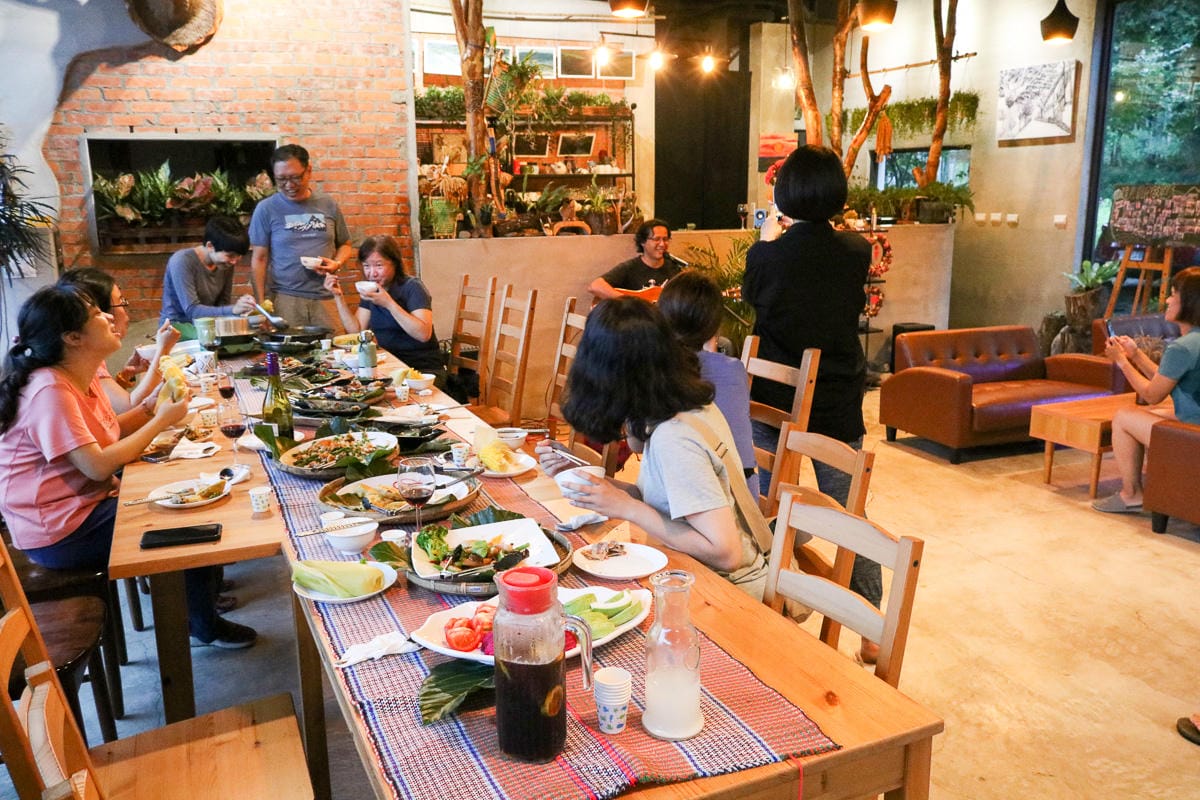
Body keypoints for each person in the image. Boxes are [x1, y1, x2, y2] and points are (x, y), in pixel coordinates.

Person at [0, 285, 256, 648]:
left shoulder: (72, 379)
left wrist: (152, 407)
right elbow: (97, 466)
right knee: (185, 519)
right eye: (96, 315)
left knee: (191, 498)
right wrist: (160, 421)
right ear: (72, 338)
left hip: (83, 509)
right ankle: (201, 623)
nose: (108, 317)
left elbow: (108, 433)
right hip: (61, 531)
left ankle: (201, 601)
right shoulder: (49, 390)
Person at [741, 144, 881, 661]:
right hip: (837, 394)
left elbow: (757, 294)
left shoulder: (767, 255)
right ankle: (870, 627)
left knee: (760, 495)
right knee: (849, 508)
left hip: (774, 396)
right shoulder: (856, 250)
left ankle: (770, 583)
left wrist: (766, 234)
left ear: (785, 194)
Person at [535, 297, 768, 599]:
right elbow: (669, 502)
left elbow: (726, 553)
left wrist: (626, 507)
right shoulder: (683, 406)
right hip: (692, 574)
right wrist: (598, 485)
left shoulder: (675, 438)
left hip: (726, 592)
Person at [1092, 266, 1200, 513]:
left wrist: (1120, 361)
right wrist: (1136, 355)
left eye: (1173, 294)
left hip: (1194, 433)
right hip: (1194, 422)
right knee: (1150, 417)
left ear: (1190, 303)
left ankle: (1131, 494)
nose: (1168, 300)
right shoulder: (1193, 342)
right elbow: (1165, 380)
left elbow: (1152, 395)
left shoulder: (1183, 347)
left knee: (1122, 417)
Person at [658, 269, 758, 497]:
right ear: (715, 325)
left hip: (701, 499)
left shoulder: (658, 370)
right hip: (744, 494)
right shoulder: (734, 370)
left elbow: (636, 445)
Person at [249, 144, 354, 329]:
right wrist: (261, 306)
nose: (289, 185)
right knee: (289, 355)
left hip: (326, 297)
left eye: (295, 178)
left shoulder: (328, 204)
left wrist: (337, 263)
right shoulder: (266, 209)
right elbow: (259, 259)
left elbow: (345, 244)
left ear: (309, 171)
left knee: (335, 352)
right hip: (286, 299)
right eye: (281, 179)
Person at [58, 267, 180, 415]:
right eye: (121, 301)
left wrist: (123, 378)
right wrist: (163, 349)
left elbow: (109, 417)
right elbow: (128, 408)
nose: (110, 317)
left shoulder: (90, 358)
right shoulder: (74, 366)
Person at [325, 235, 443, 372]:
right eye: (366, 266)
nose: (372, 273)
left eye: (379, 265)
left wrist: (388, 303)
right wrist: (338, 296)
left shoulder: (412, 287)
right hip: (389, 363)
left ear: (395, 263)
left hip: (422, 368)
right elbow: (356, 331)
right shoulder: (371, 289)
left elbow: (423, 334)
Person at [159, 215, 257, 327]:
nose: (234, 261)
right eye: (230, 255)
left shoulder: (225, 264)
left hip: (208, 327)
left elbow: (223, 304)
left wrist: (243, 309)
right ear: (210, 246)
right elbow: (192, 311)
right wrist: (234, 310)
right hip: (177, 328)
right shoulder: (182, 261)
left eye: (238, 256)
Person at [588, 218, 684, 301]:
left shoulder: (674, 269)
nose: (662, 244)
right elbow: (595, 286)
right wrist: (629, 303)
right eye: (656, 239)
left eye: (665, 239)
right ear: (643, 242)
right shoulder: (630, 268)